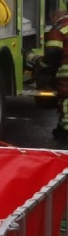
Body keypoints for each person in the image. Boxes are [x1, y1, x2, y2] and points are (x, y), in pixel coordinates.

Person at [28, 9, 68, 140]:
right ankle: (62, 128)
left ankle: (66, 130)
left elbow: (53, 53)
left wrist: (41, 66)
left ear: (56, 17)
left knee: (66, 100)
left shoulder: (58, 29)